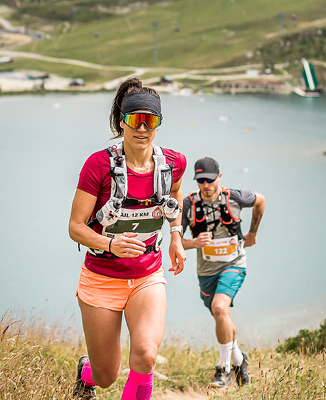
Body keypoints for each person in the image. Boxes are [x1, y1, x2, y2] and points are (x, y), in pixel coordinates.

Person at [68, 77, 187, 400]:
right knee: (106, 376)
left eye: (151, 121)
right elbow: (76, 227)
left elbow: (175, 198)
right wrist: (110, 244)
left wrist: (176, 235)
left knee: (147, 354)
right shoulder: (98, 165)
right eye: (135, 120)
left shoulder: (174, 164)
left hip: (148, 275)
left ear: (159, 124)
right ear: (122, 122)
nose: (143, 128)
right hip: (101, 278)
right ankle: (86, 371)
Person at [180, 157, 265, 388]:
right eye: (200, 181)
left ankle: (223, 371)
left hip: (234, 264)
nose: (205, 185)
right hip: (206, 271)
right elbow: (176, 241)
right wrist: (194, 243)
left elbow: (260, 200)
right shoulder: (189, 204)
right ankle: (239, 360)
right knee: (221, 316)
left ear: (219, 177)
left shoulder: (234, 197)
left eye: (209, 180)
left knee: (220, 307)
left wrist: (253, 232)